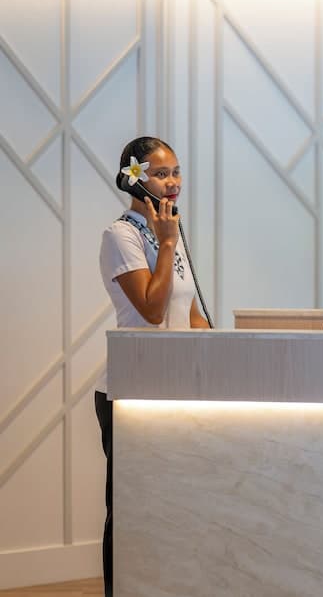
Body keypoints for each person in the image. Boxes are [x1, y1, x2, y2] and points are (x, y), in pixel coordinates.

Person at [96, 137, 210, 596]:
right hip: (131, 389)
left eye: (176, 171)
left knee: (173, 506)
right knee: (130, 508)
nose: (173, 182)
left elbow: (191, 314)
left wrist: (221, 351)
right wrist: (165, 245)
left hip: (174, 387)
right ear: (134, 179)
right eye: (161, 174)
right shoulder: (121, 236)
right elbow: (152, 309)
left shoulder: (169, 233)